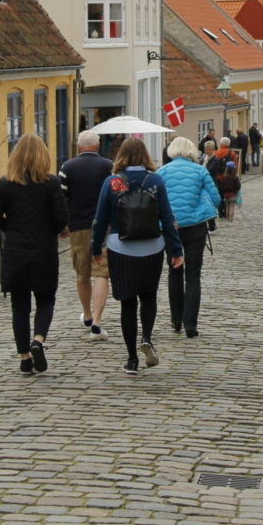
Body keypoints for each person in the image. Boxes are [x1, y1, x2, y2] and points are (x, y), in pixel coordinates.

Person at [91, 138, 183, 375]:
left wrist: (94, 249)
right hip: (152, 247)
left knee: (127, 303)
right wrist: (176, 250)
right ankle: (147, 337)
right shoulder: (154, 180)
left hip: (120, 248)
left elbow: (100, 219)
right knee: (149, 296)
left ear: (121, 156)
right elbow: (167, 215)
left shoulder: (114, 183)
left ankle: (132, 358)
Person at [0, 133, 69, 375]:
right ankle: (38, 340)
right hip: (44, 251)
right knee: (46, 300)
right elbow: (60, 219)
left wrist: (11, 229)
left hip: (15, 252)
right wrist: (58, 230)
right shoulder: (51, 183)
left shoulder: (4, 184)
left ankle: (24, 357)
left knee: (19, 306)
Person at [158, 136, 220, 337]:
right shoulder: (200, 171)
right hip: (195, 226)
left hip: (170, 228)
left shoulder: (162, 172)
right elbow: (216, 199)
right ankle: (190, 324)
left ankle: (176, 320)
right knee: (193, 275)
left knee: (174, 271)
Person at [58, 130, 113, 340]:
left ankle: (88, 314)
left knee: (82, 273)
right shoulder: (109, 166)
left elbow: (62, 198)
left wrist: (64, 225)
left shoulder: (67, 168)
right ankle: (97, 321)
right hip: (105, 226)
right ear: (97, 146)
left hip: (79, 226)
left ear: (79, 147)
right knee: (101, 273)